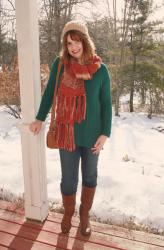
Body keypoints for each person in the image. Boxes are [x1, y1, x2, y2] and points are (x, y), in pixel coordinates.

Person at [29, 20, 112, 236]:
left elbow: (106, 105)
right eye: (68, 43)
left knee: (90, 176)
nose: (73, 47)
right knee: (68, 179)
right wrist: (39, 118)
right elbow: (49, 94)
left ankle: (84, 215)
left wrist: (105, 133)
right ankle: (68, 214)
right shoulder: (60, 65)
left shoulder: (101, 71)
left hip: (93, 135)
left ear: (85, 41)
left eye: (76, 42)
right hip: (67, 134)